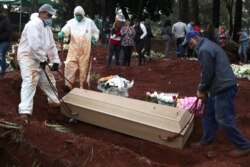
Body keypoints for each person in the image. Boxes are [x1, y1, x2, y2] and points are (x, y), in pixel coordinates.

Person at [182, 31, 250, 158]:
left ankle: (243, 145)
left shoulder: (204, 50)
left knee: (223, 119)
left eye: (189, 43)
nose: (189, 46)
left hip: (223, 87)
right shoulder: (208, 45)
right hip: (218, 86)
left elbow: (207, 72)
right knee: (208, 113)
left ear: (196, 38)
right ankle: (206, 140)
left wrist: (201, 89)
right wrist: (207, 90)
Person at [17, 4, 60, 122]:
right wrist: (43, 59)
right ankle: (24, 111)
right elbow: (34, 45)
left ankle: (54, 101)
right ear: (42, 13)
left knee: (49, 79)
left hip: (40, 58)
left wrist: (55, 61)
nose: (50, 18)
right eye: (49, 15)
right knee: (30, 80)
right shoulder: (33, 25)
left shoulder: (47, 28)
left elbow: (51, 46)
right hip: (28, 57)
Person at [58, 6, 100, 91]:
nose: (78, 17)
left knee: (83, 67)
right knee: (69, 65)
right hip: (73, 49)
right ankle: (68, 84)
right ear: (74, 14)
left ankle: (82, 85)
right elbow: (66, 30)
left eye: (80, 15)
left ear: (83, 14)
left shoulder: (89, 22)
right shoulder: (71, 22)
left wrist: (94, 37)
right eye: (76, 15)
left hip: (85, 50)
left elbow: (96, 31)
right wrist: (62, 33)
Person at [0, 10, 11, 77]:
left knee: (0, 53)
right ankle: (4, 67)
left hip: (5, 41)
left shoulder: (6, 20)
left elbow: (8, 32)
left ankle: (2, 73)